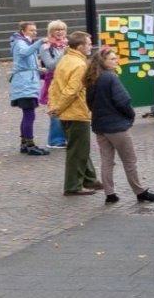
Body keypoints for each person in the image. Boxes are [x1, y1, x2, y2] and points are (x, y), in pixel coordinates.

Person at [84, 47, 154, 205]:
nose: (116, 61)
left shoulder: (93, 78)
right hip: (116, 126)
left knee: (107, 160)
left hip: (100, 125)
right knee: (129, 160)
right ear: (103, 62)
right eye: (112, 59)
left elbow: (89, 103)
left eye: (115, 58)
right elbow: (123, 100)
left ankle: (110, 193)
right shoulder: (111, 77)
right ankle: (140, 192)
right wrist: (130, 115)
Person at [49, 31, 101, 196]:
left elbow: (54, 85)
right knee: (77, 151)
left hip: (67, 112)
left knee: (80, 148)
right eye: (88, 43)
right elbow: (72, 91)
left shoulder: (65, 59)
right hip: (76, 112)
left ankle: (90, 179)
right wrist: (56, 108)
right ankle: (73, 186)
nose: (90, 46)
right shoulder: (79, 65)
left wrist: (54, 105)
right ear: (80, 46)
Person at [9, 21, 49, 156]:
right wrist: (39, 43)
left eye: (35, 31)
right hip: (24, 85)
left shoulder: (26, 43)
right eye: (31, 30)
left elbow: (28, 61)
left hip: (28, 83)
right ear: (23, 31)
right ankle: (30, 145)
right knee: (29, 115)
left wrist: (39, 70)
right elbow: (25, 53)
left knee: (27, 114)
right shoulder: (20, 43)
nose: (35, 33)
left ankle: (24, 144)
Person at [39, 20, 68, 149]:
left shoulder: (68, 44)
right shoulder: (46, 47)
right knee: (56, 109)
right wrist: (63, 53)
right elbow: (50, 65)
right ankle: (56, 140)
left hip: (67, 79)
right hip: (54, 81)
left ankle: (67, 137)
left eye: (62, 29)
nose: (60, 32)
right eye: (57, 30)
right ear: (50, 32)